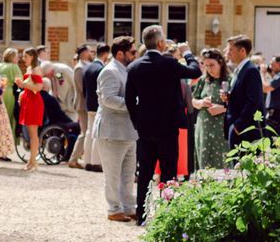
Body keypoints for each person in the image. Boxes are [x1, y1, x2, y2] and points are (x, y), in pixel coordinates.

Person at [125, 25, 198, 224]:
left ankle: (141, 215)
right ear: (160, 43)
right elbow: (195, 71)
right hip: (168, 127)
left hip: (146, 128)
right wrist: (188, 53)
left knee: (145, 173)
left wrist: (137, 122)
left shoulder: (134, 66)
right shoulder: (169, 63)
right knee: (168, 172)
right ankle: (167, 215)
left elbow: (129, 100)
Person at [95, 37, 140, 222]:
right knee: (113, 175)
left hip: (128, 130)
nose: (135, 55)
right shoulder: (110, 71)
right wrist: (136, 104)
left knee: (128, 174)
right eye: (132, 52)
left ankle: (129, 207)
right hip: (111, 131)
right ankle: (113, 209)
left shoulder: (126, 70)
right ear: (120, 53)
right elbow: (109, 99)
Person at [189, 48, 231, 171]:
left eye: (212, 65)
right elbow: (193, 101)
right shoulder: (203, 80)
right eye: (206, 65)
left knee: (222, 161)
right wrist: (201, 102)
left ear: (221, 63)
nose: (209, 69)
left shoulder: (230, 79)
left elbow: (238, 104)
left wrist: (223, 108)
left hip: (222, 127)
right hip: (204, 127)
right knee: (204, 160)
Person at [223, 35, 266, 147]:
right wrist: (228, 98)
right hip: (236, 126)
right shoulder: (239, 69)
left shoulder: (251, 70)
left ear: (242, 51)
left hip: (245, 130)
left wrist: (238, 126)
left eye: (231, 49)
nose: (228, 53)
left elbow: (253, 101)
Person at [71, 44, 103, 170]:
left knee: (85, 132)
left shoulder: (85, 66)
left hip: (85, 103)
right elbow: (81, 88)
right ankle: (73, 159)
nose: (92, 53)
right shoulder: (79, 68)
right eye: (90, 51)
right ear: (84, 53)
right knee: (84, 133)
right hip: (82, 103)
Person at [16, 50, 48, 171]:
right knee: (30, 133)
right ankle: (32, 161)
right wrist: (22, 91)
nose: (24, 58)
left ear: (32, 56)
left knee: (33, 133)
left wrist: (24, 85)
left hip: (34, 102)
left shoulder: (36, 69)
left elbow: (39, 87)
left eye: (26, 56)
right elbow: (30, 86)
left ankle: (33, 161)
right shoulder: (29, 68)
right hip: (28, 100)